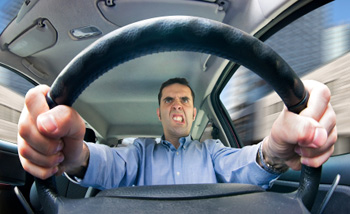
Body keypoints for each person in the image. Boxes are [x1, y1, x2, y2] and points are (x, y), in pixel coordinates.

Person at [17, 78, 337, 190]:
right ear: (160, 113)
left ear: (194, 112)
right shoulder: (139, 152)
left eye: (185, 99)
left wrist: (275, 150)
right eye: (168, 100)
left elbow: (248, 162)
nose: (177, 105)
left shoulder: (211, 152)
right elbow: (108, 162)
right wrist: (73, 156)